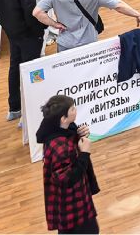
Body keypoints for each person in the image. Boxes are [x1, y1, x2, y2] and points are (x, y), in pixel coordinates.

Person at [0, 0, 46, 124]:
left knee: (14, 68)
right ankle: (30, 114)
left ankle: (14, 108)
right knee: (33, 73)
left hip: (12, 33)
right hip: (28, 37)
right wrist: (41, 32)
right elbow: (31, 16)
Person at [37, 94, 100, 234]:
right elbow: (67, 179)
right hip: (72, 206)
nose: (75, 110)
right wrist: (85, 153)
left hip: (76, 200)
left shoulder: (62, 130)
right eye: (72, 109)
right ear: (63, 119)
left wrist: (78, 134)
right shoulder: (60, 147)